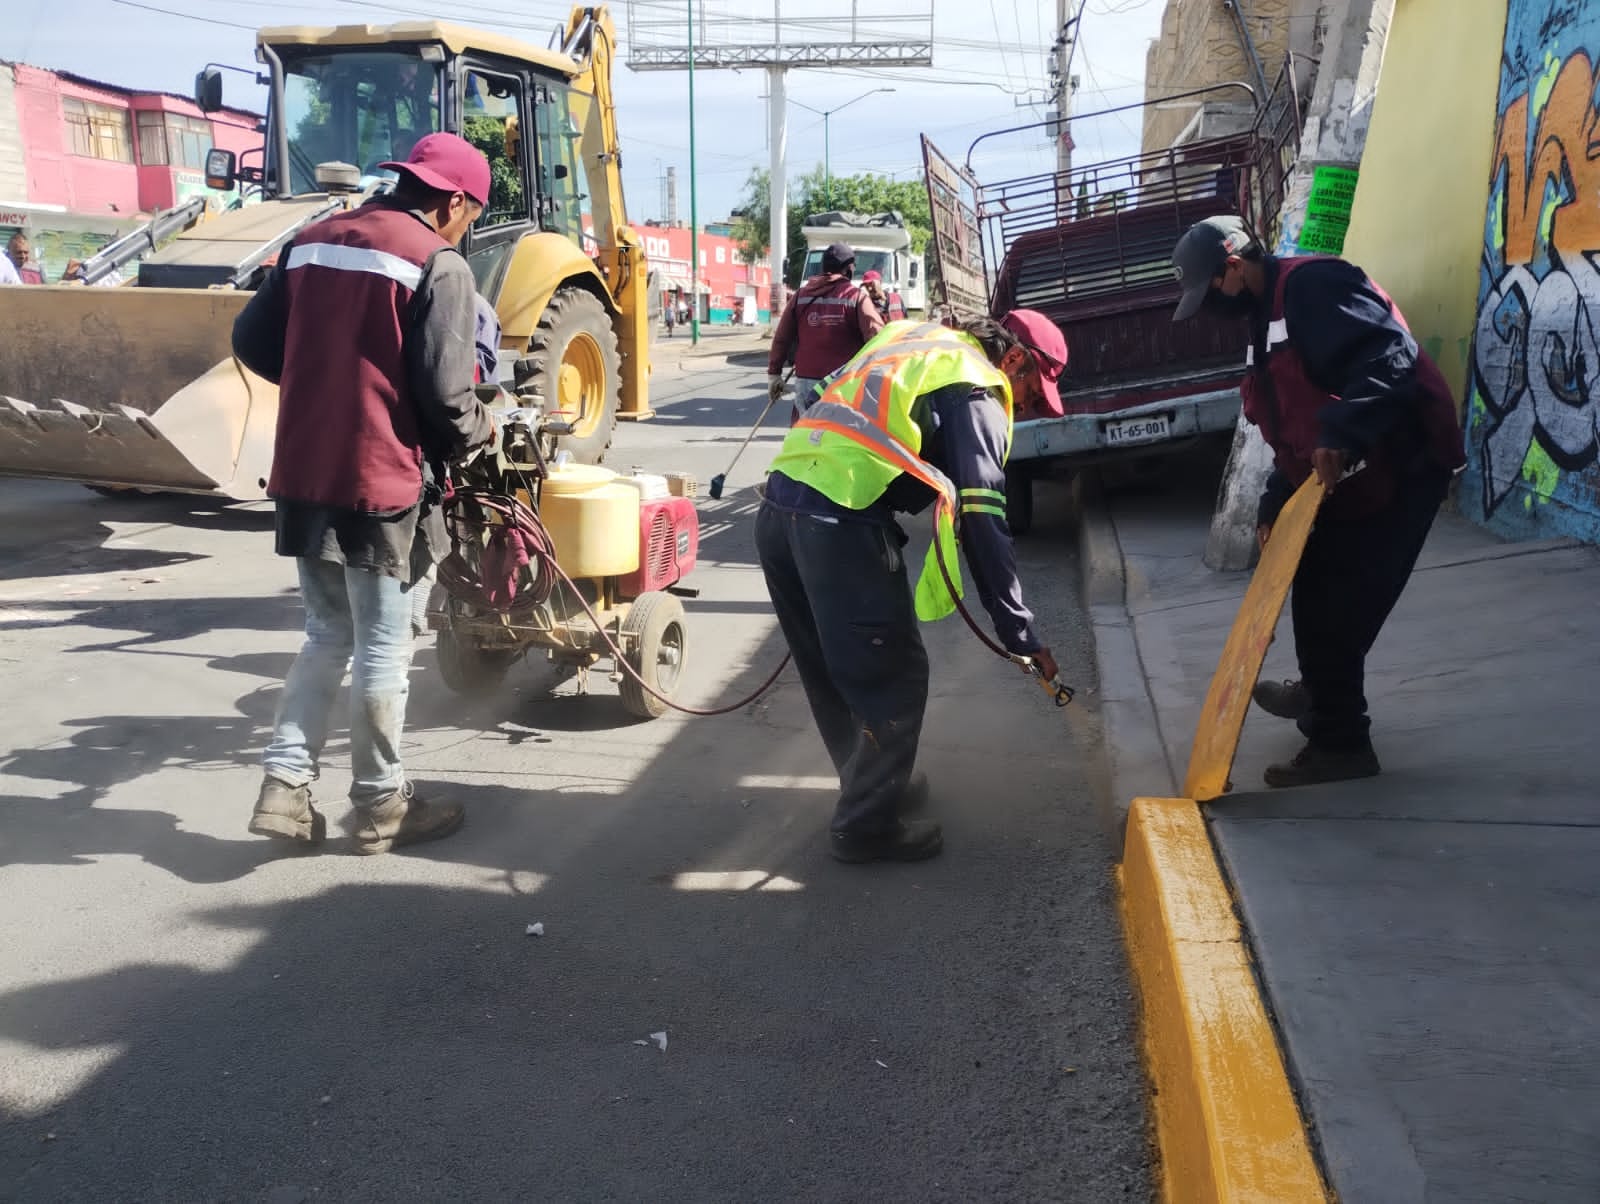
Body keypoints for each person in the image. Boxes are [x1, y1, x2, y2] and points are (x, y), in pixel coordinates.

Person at [232, 132, 496, 853]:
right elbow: (447, 396)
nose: (466, 227)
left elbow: (253, 342)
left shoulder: (311, 241)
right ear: (452, 202)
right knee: (384, 645)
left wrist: (327, 389)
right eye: (471, 216)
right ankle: (381, 804)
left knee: (325, 634)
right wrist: (481, 433)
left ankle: (284, 790)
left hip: (302, 471)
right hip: (380, 480)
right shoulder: (436, 263)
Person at [757, 310, 1067, 863]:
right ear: (1014, 358)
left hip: (780, 509)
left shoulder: (910, 339)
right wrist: (1018, 634)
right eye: (1032, 391)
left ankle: (870, 781)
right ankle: (866, 824)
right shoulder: (975, 382)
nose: (1028, 405)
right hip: (840, 516)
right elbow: (982, 512)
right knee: (894, 675)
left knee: (834, 669)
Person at [1171, 214, 1465, 787]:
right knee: (1310, 581)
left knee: (1341, 603)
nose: (1208, 310)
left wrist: (1342, 432)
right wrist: (1273, 498)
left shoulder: (1313, 286)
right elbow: (1292, 425)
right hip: (1348, 473)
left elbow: (1389, 359)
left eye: (1209, 294)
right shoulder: (1261, 320)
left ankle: (1342, 742)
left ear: (1233, 268)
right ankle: (1322, 692)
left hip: (1403, 467)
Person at [766, 242, 883, 421]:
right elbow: (877, 339)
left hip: (806, 381)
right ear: (849, 268)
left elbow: (782, 338)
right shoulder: (856, 297)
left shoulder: (801, 296)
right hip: (844, 382)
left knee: (806, 434)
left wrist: (774, 374)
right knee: (839, 435)